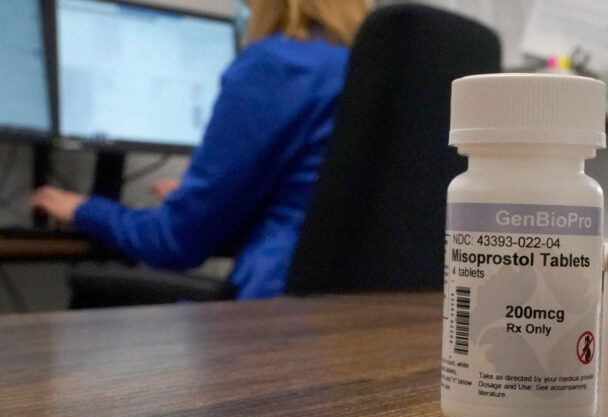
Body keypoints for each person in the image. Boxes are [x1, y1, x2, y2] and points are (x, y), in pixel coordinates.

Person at [31, 0, 369, 300]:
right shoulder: (370, 67)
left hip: (276, 323)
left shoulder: (279, 63)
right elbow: (313, 208)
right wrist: (203, 203)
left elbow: (175, 243)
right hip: (368, 322)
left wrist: (85, 210)